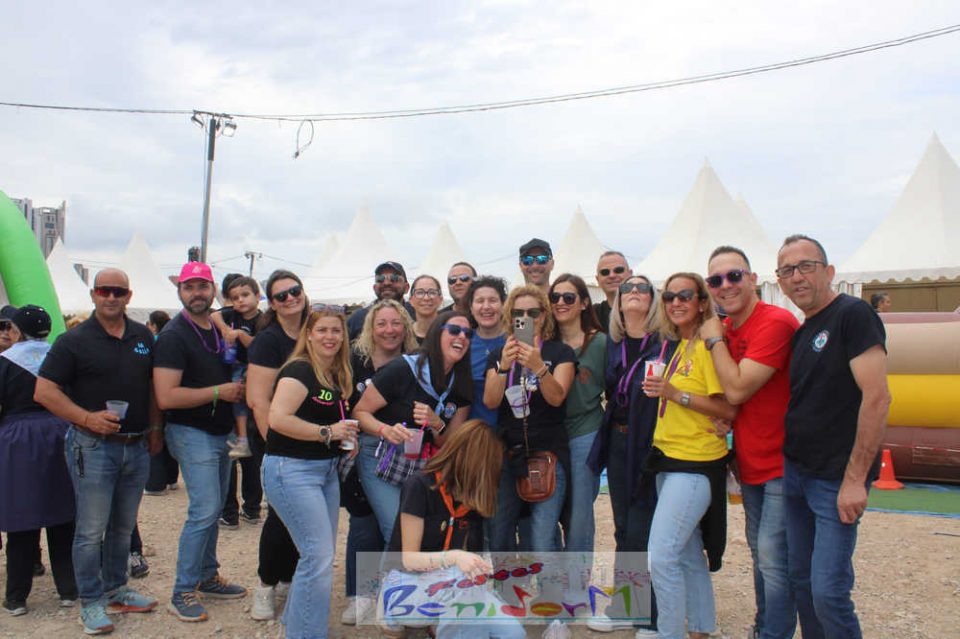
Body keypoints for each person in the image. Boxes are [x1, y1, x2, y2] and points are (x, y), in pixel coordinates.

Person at [34, 268, 161, 633]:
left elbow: (153, 387)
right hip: (92, 447)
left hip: (135, 445)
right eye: (104, 290)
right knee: (91, 530)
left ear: (129, 296)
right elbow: (44, 392)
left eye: (118, 291)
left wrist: (156, 429)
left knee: (122, 527)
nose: (111, 297)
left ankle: (117, 589)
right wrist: (86, 418)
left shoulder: (142, 336)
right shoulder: (73, 340)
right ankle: (90, 601)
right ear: (93, 294)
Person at [775, 234, 890, 639]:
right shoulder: (804, 331)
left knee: (828, 592)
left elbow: (877, 398)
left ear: (829, 271)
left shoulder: (853, 315)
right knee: (802, 581)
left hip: (835, 479)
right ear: (779, 281)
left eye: (806, 266)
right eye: (787, 270)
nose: (797, 277)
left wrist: (856, 479)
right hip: (797, 473)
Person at [700, 247, 800, 639]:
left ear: (753, 278)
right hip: (750, 460)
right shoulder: (727, 329)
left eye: (734, 275)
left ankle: (773, 632)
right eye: (716, 280)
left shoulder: (774, 322)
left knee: (774, 558)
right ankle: (765, 628)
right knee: (762, 554)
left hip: (781, 462)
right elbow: (729, 398)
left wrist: (713, 340)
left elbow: (738, 388)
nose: (725, 285)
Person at [640, 273, 737, 639]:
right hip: (671, 458)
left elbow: (728, 408)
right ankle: (699, 629)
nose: (676, 302)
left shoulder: (708, 348)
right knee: (687, 554)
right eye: (669, 296)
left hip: (695, 463)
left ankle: (670, 633)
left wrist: (674, 393)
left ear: (701, 302)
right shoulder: (679, 345)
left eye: (685, 295)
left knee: (661, 555)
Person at [153, 262, 247, 622]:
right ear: (179, 291)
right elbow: (166, 397)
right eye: (189, 287)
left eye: (202, 286)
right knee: (205, 509)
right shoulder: (174, 336)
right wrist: (218, 392)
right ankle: (182, 591)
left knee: (215, 505)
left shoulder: (215, 327)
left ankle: (207, 576)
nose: (197, 293)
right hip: (191, 432)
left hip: (219, 432)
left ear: (213, 291)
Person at [262, 303, 359, 638]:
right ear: (309, 334)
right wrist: (328, 432)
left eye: (336, 330)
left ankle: (298, 625)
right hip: (292, 470)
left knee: (319, 556)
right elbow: (278, 419)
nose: (330, 336)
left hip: (324, 471)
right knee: (317, 556)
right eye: (322, 330)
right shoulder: (300, 370)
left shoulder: (335, 372)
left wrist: (342, 437)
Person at [381, 419, 525, 639]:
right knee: (462, 584)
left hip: (451, 585)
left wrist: (481, 567)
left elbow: (470, 558)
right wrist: (456, 557)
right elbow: (409, 559)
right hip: (405, 583)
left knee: (513, 634)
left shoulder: (471, 497)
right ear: (474, 463)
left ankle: (442, 623)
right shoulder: (419, 485)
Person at [586, 275, 664, 636]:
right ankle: (626, 607)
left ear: (653, 299)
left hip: (652, 445)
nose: (634, 292)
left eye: (642, 288)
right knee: (623, 527)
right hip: (618, 441)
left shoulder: (665, 344)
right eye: (627, 289)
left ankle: (650, 617)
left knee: (644, 528)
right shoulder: (612, 344)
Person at [353, 311, 474, 543]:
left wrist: (437, 423)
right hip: (380, 453)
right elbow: (359, 412)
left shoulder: (461, 383)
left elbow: (447, 442)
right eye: (454, 330)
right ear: (437, 334)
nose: (462, 336)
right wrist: (385, 430)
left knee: (419, 534)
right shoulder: (403, 368)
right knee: (398, 531)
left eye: (468, 334)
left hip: (420, 460)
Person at [341, 298, 418, 626]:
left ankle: (391, 596)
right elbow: (342, 403)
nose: (389, 330)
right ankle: (361, 594)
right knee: (364, 522)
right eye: (382, 323)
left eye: (396, 323)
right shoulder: (354, 362)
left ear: (406, 328)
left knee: (398, 525)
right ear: (370, 329)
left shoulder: (414, 362)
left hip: (406, 453)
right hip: (363, 448)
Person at [484, 285, 575, 552]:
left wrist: (538, 367)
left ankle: (549, 582)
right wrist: (504, 366)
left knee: (541, 537)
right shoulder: (499, 354)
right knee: (499, 532)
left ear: (544, 316)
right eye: (518, 313)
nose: (525, 318)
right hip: (509, 453)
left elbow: (557, 398)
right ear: (509, 317)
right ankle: (507, 581)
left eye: (533, 313)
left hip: (548, 452)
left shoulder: (560, 353)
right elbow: (490, 401)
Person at [0, 305, 77, 616]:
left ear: (17, 330)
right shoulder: (60, 356)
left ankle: (17, 596)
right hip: (60, 431)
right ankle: (69, 589)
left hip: (18, 437)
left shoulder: (5, 362)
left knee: (22, 515)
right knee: (63, 513)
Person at [246, 269, 309, 620]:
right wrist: (276, 447)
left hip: (310, 437)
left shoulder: (314, 331)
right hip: (276, 440)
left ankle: (288, 577)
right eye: (281, 295)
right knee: (280, 514)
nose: (290, 298)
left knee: (303, 515)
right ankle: (265, 584)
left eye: (294, 291)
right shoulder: (268, 341)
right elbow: (258, 401)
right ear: (271, 303)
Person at [547, 274, 605, 553]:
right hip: (550, 433)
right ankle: (553, 575)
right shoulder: (545, 343)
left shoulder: (601, 343)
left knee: (580, 515)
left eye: (568, 297)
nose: (560, 302)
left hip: (586, 431)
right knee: (546, 512)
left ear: (583, 303)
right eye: (555, 297)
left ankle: (577, 579)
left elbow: (616, 389)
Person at [211, 275, 264, 528]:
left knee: (246, 454)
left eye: (245, 295)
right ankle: (232, 511)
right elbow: (214, 315)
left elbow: (260, 348)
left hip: (252, 379)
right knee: (234, 454)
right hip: (230, 380)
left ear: (258, 296)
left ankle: (250, 508)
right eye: (235, 297)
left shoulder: (264, 320)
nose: (240, 301)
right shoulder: (230, 315)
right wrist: (224, 329)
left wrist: (240, 336)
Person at [465, 276, 508, 426]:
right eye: (480, 301)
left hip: (511, 431)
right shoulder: (462, 342)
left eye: (493, 300)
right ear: (471, 308)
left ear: (504, 305)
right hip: (474, 431)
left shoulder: (516, 341)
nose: (486, 306)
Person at [144, 309, 178, 496]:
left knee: (155, 437)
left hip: (156, 396)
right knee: (166, 439)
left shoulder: (155, 342)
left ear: (154, 325)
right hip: (172, 398)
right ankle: (172, 479)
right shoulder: (170, 338)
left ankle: (155, 483)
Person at [347, 261, 416, 340]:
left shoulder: (416, 315)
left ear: (406, 287)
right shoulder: (358, 318)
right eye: (380, 279)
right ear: (374, 288)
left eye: (394, 278)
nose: (386, 283)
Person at [594, 251, 633, 333]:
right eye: (605, 272)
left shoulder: (648, 311)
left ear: (630, 274)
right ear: (598, 279)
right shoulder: (592, 315)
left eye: (619, 270)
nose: (612, 275)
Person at [409, 275, 444, 343]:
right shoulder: (403, 335)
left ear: (440, 300)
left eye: (432, 292)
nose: (426, 298)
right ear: (411, 300)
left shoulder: (450, 333)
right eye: (420, 292)